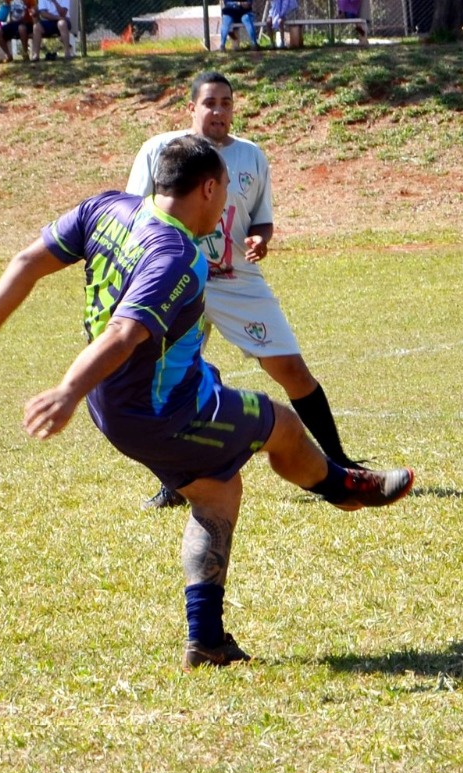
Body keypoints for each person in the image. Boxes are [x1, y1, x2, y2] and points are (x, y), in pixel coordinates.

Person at [0, 136, 416, 670]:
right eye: (226, 189)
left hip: (113, 402)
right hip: (165, 411)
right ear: (208, 188)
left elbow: (29, 259)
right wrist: (65, 390)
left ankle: (206, 641)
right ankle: (342, 487)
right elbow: (122, 334)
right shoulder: (178, 257)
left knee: (216, 492)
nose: (228, 201)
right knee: (279, 422)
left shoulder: (108, 208)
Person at [126, 71, 372, 510]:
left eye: (226, 103)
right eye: (209, 103)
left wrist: (261, 238)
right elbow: (134, 215)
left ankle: (338, 463)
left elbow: (262, 218)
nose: (218, 111)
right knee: (162, 383)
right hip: (177, 280)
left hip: (236, 280)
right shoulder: (158, 152)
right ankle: (175, 484)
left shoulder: (250, 157)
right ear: (192, 108)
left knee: (292, 371)